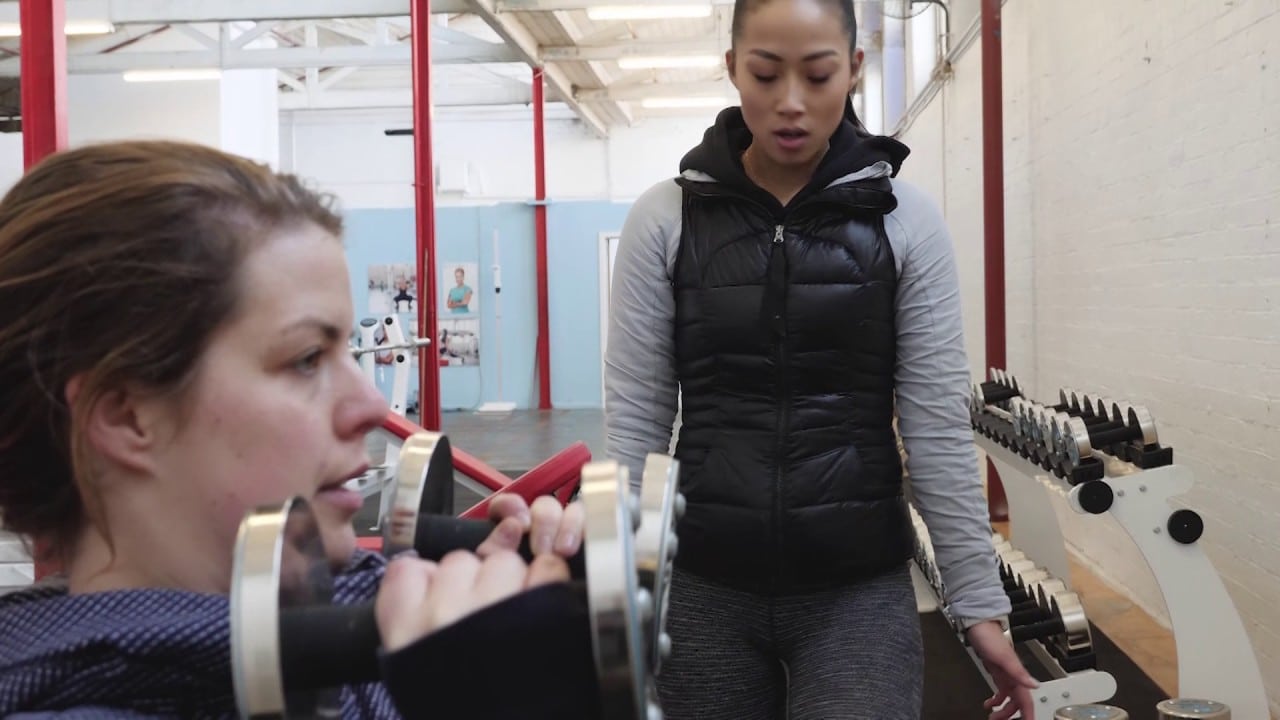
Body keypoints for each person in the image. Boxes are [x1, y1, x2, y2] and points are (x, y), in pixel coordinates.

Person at [0, 140, 594, 719]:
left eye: (348, 354)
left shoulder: (384, 626)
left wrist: (551, 598)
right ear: (126, 416)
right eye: (307, 358)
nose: (368, 404)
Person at [603, 1, 1038, 718]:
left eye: (819, 74)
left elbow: (934, 428)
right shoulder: (665, 219)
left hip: (855, 594)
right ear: (732, 69)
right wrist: (620, 593)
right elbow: (636, 425)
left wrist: (978, 605)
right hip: (704, 590)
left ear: (856, 69)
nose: (791, 103)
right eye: (766, 75)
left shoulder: (906, 222)